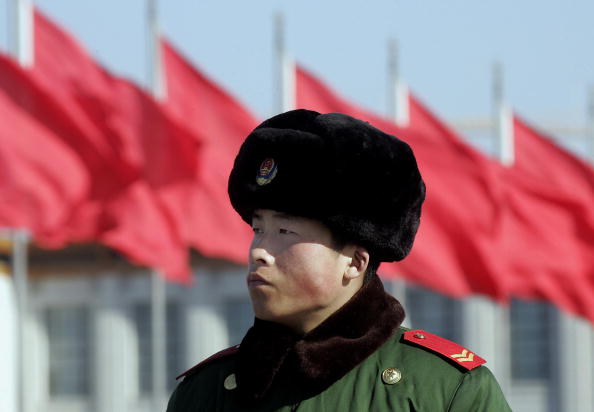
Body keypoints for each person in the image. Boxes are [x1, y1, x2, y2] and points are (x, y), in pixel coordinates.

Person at [166, 109, 511, 411]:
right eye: (258, 229)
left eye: (285, 232)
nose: (259, 250)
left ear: (355, 262)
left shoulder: (443, 392)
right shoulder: (206, 393)